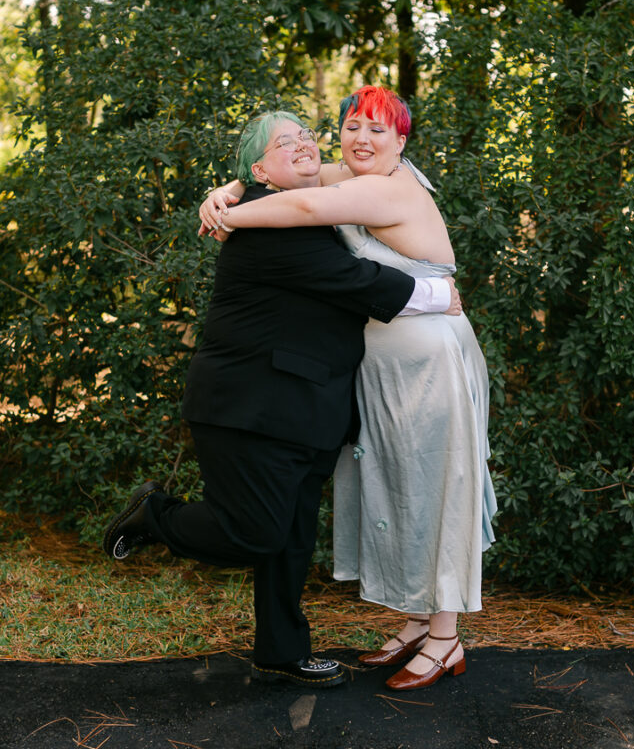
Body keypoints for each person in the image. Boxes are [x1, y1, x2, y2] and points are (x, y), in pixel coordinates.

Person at [101, 110, 461, 689]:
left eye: (305, 136)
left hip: (309, 408)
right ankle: (156, 516)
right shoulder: (271, 227)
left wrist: (228, 190)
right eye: (283, 143)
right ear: (261, 170)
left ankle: (281, 652)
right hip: (250, 408)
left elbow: (330, 199)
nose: (301, 145)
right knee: (257, 533)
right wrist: (438, 294)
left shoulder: (308, 204)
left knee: (291, 540)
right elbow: (355, 283)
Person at [199, 86, 496, 691]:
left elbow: (305, 205)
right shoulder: (354, 173)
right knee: (400, 490)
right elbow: (283, 179)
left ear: (401, 142)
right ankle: (417, 623)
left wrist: (229, 217)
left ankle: (446, 638)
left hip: (429, 361)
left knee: (437, 489)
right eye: (352, 126)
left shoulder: (388, 188)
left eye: (377, 130)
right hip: (383, 368)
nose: (361, 139)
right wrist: (224, 190)